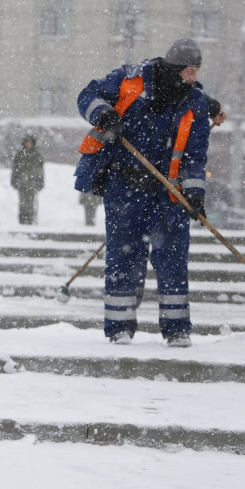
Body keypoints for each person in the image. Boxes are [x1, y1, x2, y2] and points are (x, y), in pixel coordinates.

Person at [74, 38, 212, 348]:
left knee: (173, 260)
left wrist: (195, 193)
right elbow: (88, 95)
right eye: (189, 72)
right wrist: (105, 116)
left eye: (196, 72)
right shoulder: (129, 80)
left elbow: (194, 155)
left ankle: (177, 329)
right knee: (124, 259)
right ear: (175, 68)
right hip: (125, 188)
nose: (192, 79)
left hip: (168, 194)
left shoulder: (195, 102)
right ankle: (119, 328)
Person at [10, 133, 45, 225]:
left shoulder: (37, 156)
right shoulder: (19, 155)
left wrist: (40, 182)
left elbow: (40, 171)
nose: (28, 144)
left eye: (30, 142)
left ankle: (30, 219)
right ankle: (22, 219)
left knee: (30, 202)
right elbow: (15, 170)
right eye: (27, 142)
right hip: (21, 183)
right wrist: (14, 181)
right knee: (22, 202)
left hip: (32, 183)